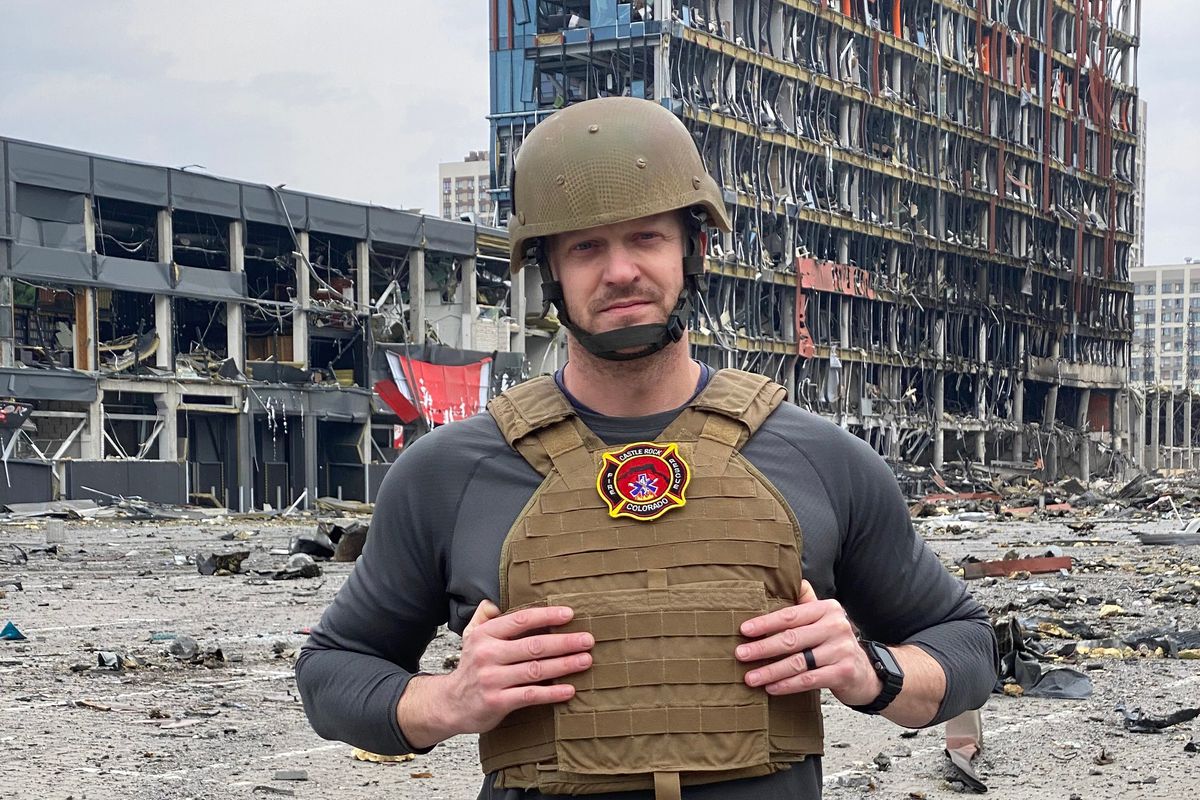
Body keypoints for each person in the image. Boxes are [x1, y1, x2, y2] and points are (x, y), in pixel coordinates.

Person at [297, 96, 998, 800]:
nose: (621, 271)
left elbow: (965, 643)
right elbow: (332, 672)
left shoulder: (819, 459)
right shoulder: (448, 472)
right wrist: (447, 701)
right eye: (586, 247)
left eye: (646, 238)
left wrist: (871, 671)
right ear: (549, 272)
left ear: (692, 248)